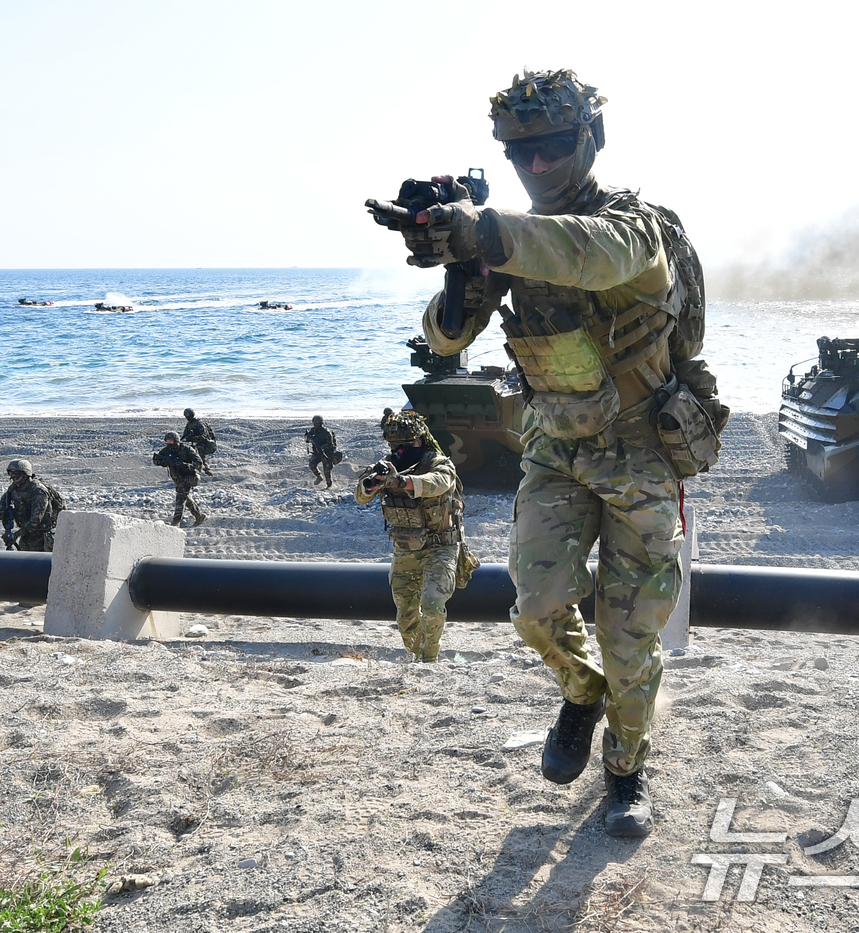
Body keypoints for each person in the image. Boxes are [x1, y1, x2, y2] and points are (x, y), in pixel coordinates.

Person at [402, 70, 726, 837]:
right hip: (555, 449)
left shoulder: (633, 225)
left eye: (552, 148)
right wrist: (461, 269)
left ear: (589, 142)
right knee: (538, 609)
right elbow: (447, 337)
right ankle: (580, 695)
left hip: (642, 452)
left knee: (631, 634)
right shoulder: (514, 237)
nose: (537, 167)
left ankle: (627, 770)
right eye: (521, 154)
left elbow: (592, 257)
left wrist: (488, 231)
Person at [354, 412, 473, 663]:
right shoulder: (388, 465)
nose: (398, 452)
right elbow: (361, 496)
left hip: (441, 547)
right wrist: (370, 485)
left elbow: (438, 483)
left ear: (420, 441)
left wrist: (402, 481)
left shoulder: (440, 463)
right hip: (406, 549)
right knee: (405, 616)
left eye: (405, 446)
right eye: (394, 447)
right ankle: (415, 654)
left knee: (431, 603)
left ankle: (430, 657)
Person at [0, 459, 62, 552]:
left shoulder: (39, 491)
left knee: (40, 564)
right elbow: (2, 506)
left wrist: (16, 535)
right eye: (11, 473)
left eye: (17, 473)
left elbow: (36, 520)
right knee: (23, 564)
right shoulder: (14, 489)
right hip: (26, 535)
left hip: (42, 537)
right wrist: (5, 514)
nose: (14, 476)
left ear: (25, 473)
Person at [153, 432, 206, 527]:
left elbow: (198, 462)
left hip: (189, 477)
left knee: (180, 498)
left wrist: (187, 465)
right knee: (186, 498)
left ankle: (176, 521)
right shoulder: (166, 451)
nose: (169, 443)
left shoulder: (187, 450)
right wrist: (161, 461)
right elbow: (157, 460)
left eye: (171, 441)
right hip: (177, 478)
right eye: (167, 441)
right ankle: (199, 516)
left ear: (176, 441)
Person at [304, 415, 340, 487]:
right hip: (317, 453)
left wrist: (322, 447)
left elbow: (331, 444)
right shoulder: (313, 430)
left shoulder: (326, 432)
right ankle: (319, 477)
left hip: (326, 453)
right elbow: (307, 440)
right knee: (312, 464)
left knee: (327, 471)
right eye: (315, 423)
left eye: (317, 423)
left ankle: (329, 485)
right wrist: (308, 439)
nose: (316, 424)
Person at [181, 408, 216, 475]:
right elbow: (185, 435)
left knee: (199, 453)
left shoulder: (199, 423)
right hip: (196, 443)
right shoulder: (189, 424)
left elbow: (203, 436)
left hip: (205, 444)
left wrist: (194, 437)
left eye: (188, 415)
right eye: (186, 415)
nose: (187, 417)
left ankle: (205, 470)